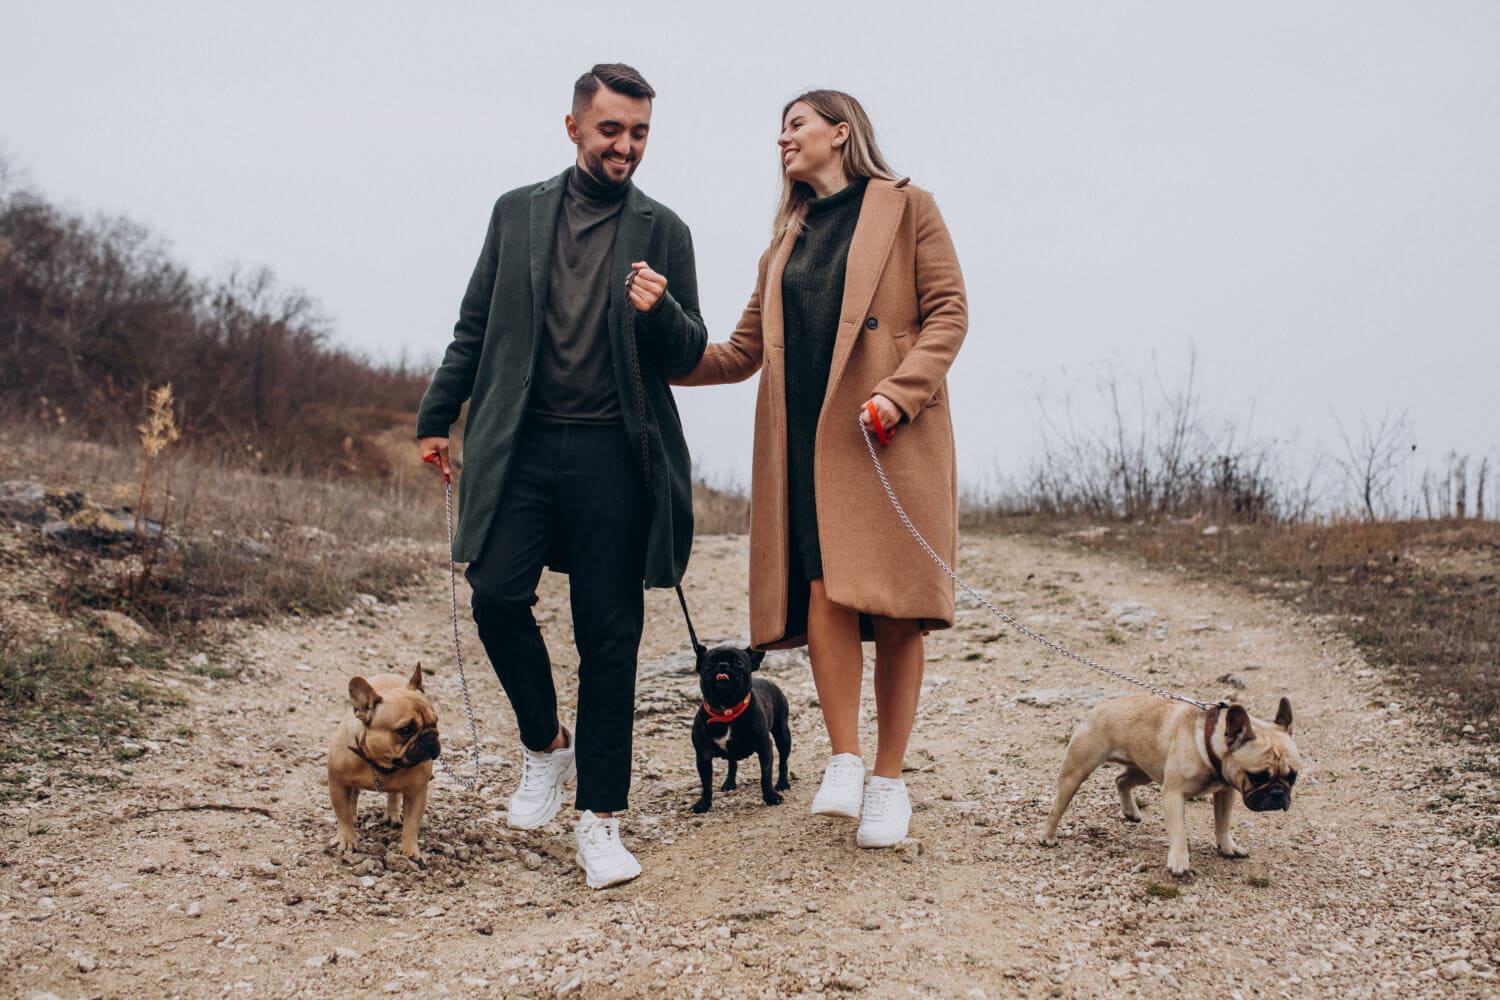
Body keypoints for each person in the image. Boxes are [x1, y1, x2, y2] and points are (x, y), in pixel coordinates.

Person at [416, 63, 706, 888]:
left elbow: (687, 354)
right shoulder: (518, 212)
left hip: (618, 454)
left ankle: (601, 821)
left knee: (609, 642)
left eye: (640, 132)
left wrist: (664, 313)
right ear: (574, 126)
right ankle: (546, 745)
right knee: (496, 593)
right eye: (612, 129)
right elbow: (474, 324)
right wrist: (437, 416)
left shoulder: (665, 230)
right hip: (525, 448)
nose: (626, 147)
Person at [676, 89, 966, 848]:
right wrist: (653, 335)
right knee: (824, 594)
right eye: (778, 128)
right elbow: (738, 353)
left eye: (795, 124)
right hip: (806, 446)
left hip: (887, 437)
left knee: (898, 610)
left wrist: (900, 395)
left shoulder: (909, 208)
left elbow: (950, 312)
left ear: (841, 133)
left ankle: (889, 783)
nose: (782, 138)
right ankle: (843, 758)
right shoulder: (785, 243)